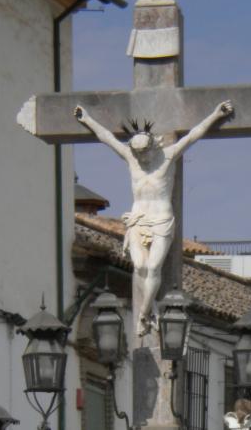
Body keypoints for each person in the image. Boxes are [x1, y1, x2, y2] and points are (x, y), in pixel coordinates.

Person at [74, 100, 234, 335]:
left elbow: (192, 136)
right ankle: (147, 311)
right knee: (139, 266)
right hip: (138, 220)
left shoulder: (168, 156)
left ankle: (144, 313)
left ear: (152, 147)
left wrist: (215, 114)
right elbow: (107, 138)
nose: (141, 158)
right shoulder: (131, 159)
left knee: (153, 267)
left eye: (144, 153)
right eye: (137, 153)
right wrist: (87, 119)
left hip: (161, 220)